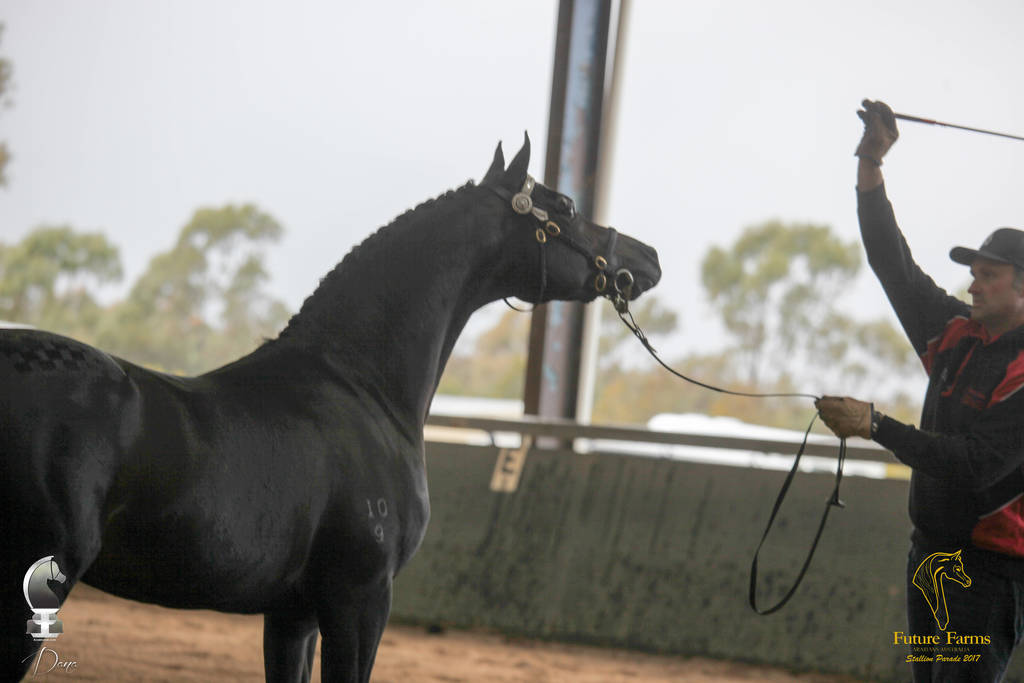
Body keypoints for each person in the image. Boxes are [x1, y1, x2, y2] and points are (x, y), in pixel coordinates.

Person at [816, 99, 1024, 682]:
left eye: (989, 275)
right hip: (930, 556)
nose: (973, 284)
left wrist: (876, 426)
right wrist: (870, 165)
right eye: (974, 272)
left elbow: (976, 466)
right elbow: (893, 264)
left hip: (986, 575)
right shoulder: (957, 333)